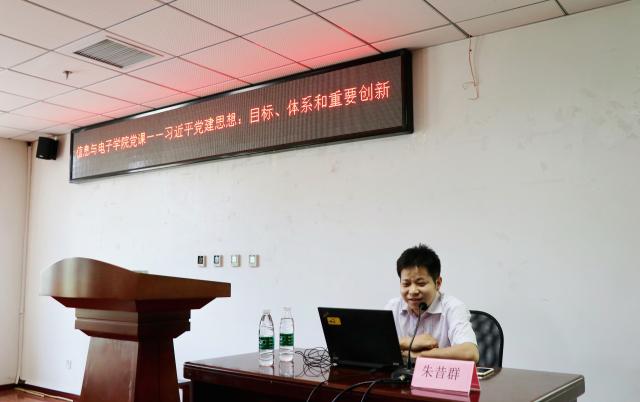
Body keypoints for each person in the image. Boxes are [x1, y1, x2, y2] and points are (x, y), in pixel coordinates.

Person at [385, 244, 479, 362]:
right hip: (402, 374)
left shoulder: (453, 307)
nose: (412, 291)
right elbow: (375, 346)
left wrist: (417, 355)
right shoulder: (393, 306)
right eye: (406, 284)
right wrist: (407, 342)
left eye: (421, 283)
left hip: (439, 373)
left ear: (438, 283)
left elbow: (470, 353)